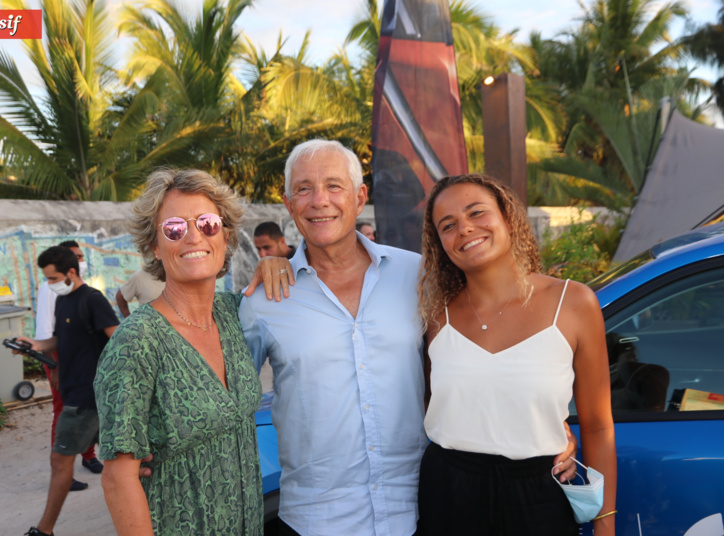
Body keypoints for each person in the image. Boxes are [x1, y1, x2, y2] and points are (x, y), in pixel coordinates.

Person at [239, 140, 578, 536]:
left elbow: (486, 351)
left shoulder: (418, 276)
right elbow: (227, 401)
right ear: (288, 202)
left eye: (334, 186)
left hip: (420, 513)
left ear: (359, 195)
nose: (319, 200)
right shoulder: (264, 300)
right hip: (317, 520)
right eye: (303, 189)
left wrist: (553, 428)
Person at [415, 174, 617, 535]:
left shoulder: (572, 303)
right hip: (448, 492)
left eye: (476, 212)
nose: (464, 229)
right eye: (448, 225)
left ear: (508, 218)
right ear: (440, 243)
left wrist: (605, 525)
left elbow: (599, 426)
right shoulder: (436, 317)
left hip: (540, 493)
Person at [95, 169, 281, 536]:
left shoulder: (234, 313)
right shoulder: (138, 341)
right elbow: (119, 478)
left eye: (208, 223)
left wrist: (278, 262)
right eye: (175, 228)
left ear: (225, 237)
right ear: (154, 245)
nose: (194, 236)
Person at [20, 246, 120, 536]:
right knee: (122, 461)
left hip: (88, 399)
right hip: (77, 391)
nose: (50, 284)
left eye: (53, 278)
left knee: (60, 461)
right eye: (47, 279)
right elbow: (59, 340)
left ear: (71, 272)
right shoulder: (62, 301)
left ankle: (44, 530)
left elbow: (118, 341)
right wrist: (36, 345)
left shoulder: (92, 300)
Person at [35, 240, 103, 489]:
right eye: (75, 257)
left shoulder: (79, 289)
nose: (80, 261)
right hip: (59, 358)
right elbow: (45, 331)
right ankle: (62, 473)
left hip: (81, 357)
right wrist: (54, 367)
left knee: (87, 408)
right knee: (64, 413)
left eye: (81, 256)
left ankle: (88, 456)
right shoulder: (50, 289)